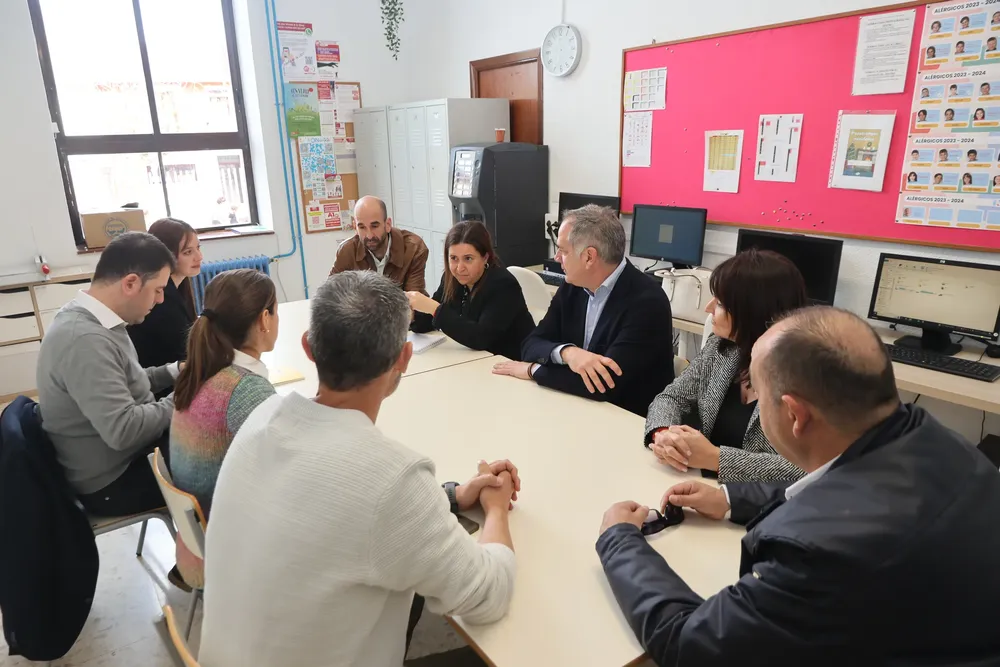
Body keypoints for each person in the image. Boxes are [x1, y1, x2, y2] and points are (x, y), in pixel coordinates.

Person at [596, 307, 1000, 665]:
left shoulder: (817, 555)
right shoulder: (934, 439)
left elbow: (690, 645)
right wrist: (729, 498)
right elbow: (837, 492)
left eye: (758, 390)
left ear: (793, 414)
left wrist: (619, 540)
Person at [199, 271, 519, 666]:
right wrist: (496, 508)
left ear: (308, 347)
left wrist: (451, 495)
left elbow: (346, 509)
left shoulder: (261, 420)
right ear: (404, 357)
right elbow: (489, 594)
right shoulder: (392, 477)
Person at [37, 232, 177, 516]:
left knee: (215, 441)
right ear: (130, 283)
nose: (161, 299)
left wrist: (176, 371)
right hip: (112, 482)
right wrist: (183, 400)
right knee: (224, 470)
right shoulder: (84, 340)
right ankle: (197, 558)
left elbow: (129, 380)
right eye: (158, 289)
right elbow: (124, 430)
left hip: (127, 457)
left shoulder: (97, 319)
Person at [492, 205, 674, 417]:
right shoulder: (574, 285)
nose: (557, 257)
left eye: (563, 250)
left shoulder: (647, 303)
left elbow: (603, 384)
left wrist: (533, 370)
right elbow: (531, 344)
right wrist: (568, 353)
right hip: (575, 406)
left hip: (625, 421)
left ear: (589, 257)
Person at [644, 250, 807, 483]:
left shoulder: (806, 378)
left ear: (752, 311)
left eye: (720, 303)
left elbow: (808, 468)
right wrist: (663, 433)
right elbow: (671, 397)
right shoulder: (722, 349)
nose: (708, 309)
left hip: (755, 507)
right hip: (700, 487)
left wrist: (717, 459)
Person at [168, 269, 278, 588]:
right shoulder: (246, 390)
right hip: (231, 550)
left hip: (197, 539)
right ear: (265, 319)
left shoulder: (203, 371)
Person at [408, 220, 534, 360]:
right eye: (453, 258)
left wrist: (435, 309)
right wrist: (412, 315)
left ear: (485, 257)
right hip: (476, 360)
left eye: (468, 259)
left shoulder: (503, 285)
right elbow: (427, 323)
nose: (459, 268)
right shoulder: (451, 278)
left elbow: (480, 338)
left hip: (512, 362)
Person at [127, 218, 202, 371]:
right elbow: (184, 354)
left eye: (198, 248)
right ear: (165, 256)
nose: (199, 257)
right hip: (159, 384)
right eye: (188, 252)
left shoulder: (175, 289)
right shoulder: (163, 300)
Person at [329, 195, 429, 293]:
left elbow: (414, 299)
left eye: (374, 226)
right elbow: (330, 294)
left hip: (401, 309)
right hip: (360, 309)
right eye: (362, 227)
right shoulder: (347, 250)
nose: (369, 236)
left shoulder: (413, 248)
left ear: (388, 224)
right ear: (355, 227)